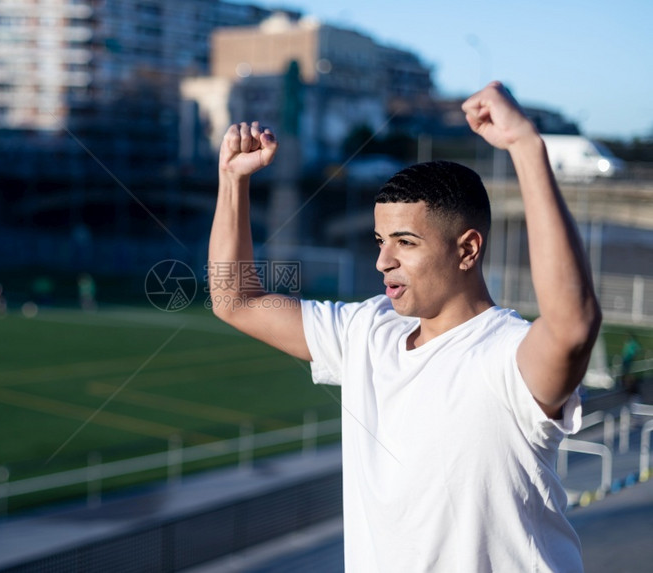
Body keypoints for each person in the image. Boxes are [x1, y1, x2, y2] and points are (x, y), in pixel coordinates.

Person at [208, 82, 601, 572]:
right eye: (379, 241)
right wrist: (232, 180)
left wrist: (526, 146)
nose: (382, 261)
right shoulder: (366, 332)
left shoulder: (507, 357)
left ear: (468, 249)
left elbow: (573, 324)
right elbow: (235, 300)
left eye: (405, 242)